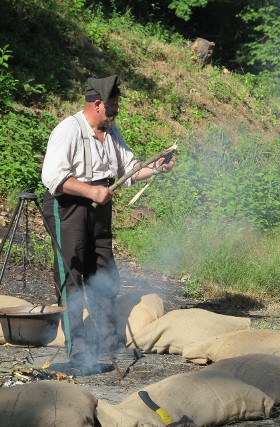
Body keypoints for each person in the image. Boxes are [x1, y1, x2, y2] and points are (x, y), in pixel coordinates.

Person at [41, 75, 176, 370]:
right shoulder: (69, 129)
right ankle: (76, 349)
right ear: (98, 104)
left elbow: (129, 169)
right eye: (113, 105)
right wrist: (91, 190)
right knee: (71, 276)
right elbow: (53, 177)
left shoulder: (111, 133)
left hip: (100, 209)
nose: (117, 110)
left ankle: (107, 340)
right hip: (68, 208)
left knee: (104, 273)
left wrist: (156, 168)